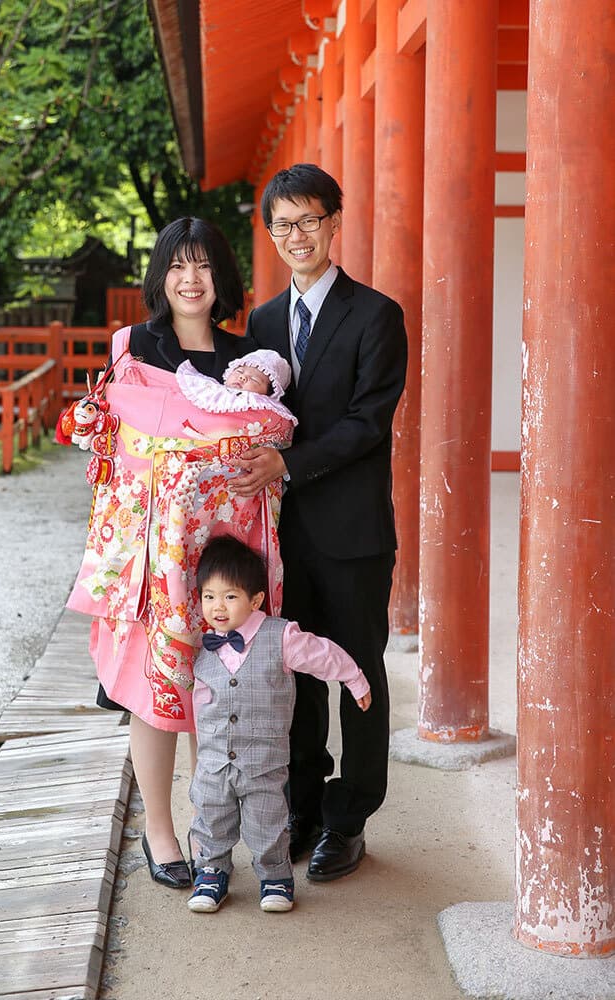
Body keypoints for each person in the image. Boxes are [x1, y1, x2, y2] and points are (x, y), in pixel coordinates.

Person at [67, 217, 283, 891]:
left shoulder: (248, 361)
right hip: (151, 553)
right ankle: (160, 831)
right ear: (161, 276)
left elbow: (270, 442)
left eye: (205, 266)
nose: (191, 280)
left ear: (223, 278)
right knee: (155, 690)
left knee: (219, 689)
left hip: (224, 555)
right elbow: (114, 442)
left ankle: (209, 832)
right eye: (178, 266)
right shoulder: (133, 346)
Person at [232, 164, 407, 882]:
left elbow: (369, 422)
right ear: (272, 233)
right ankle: (302, 806)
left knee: (357, 671)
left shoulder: (377, 314)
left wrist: (289, 464)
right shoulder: (263, 322)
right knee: (293, 675)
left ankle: (350, 817)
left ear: (334, 222)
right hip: (281, 533)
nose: (296, 235)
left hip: (353, 531)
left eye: (309, 220)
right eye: (283, 224)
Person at [186, 535, 370, 914]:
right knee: (211, 817)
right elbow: (201, 706)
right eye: (209, 596)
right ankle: (212, 871)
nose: (218, 606)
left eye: (230, 596)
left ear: (255, 600)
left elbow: (321, 654)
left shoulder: (280, 636)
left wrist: (353, 677)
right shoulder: (201, 648)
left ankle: (274, 875)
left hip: (263, 763)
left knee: (267, 822)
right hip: (214, 763)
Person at [175, 348, 297, 426]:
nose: (243, 377)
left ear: (270, 394)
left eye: (254, 379)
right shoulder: (214, 390)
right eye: (239, 371)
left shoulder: (267, 408)